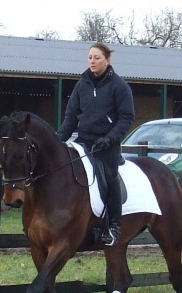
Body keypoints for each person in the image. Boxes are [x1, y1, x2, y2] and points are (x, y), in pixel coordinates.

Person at [56, 42, 135, 245]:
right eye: (90, 57)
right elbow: (71, 116)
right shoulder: (81, 85)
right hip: (83, 140)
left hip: (107, 143)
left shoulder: (120, 86)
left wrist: (110, 138)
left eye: (97, 57)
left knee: (109, 177)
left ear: (107, 60)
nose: (92, 61)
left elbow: (126, 117)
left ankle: (114, 226)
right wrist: (59, 138)